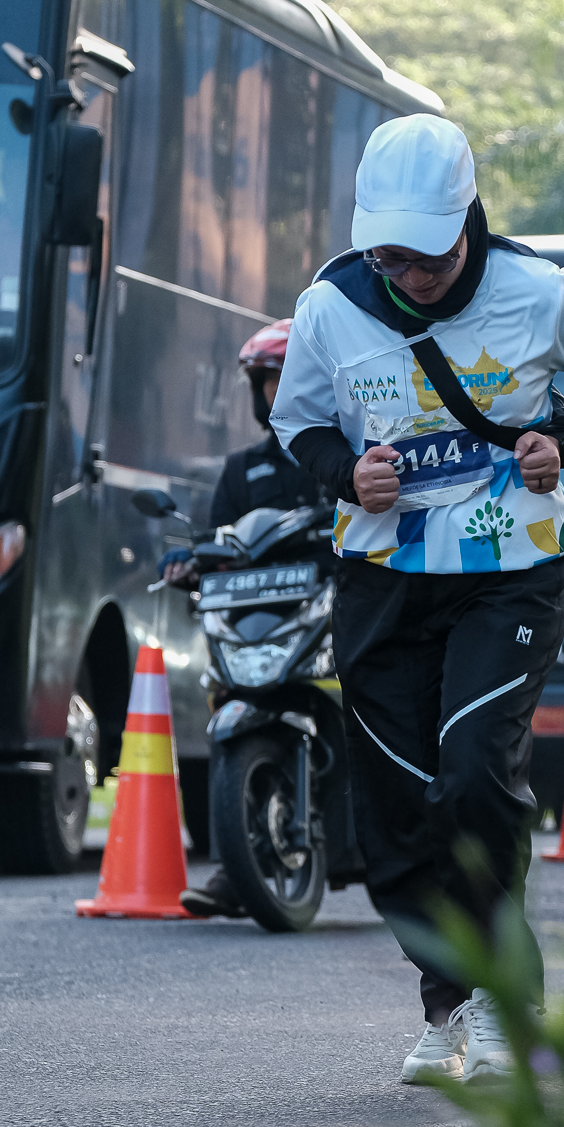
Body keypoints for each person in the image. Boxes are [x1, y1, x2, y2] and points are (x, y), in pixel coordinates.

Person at [270, 115, 564, 1082]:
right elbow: (298, 422)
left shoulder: (541, 292)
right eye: (390, 257)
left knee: (474, 773)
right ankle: (449, 1003)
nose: (413, 275)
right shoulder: (330, 307)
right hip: (383, 575)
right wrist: (346, 474)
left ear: (467, 221)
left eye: (429, 257)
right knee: (395, 806)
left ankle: (509, 997)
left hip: (508, 564)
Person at [160, 320, 327, 918]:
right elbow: (215, 544)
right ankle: (238, 865)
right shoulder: (241, 470)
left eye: (288, 378)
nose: (277, 391)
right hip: (260, 627)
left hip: (333, 617)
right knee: (226, 699)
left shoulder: (346, 453)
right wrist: (187, 561)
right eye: (269, 381)